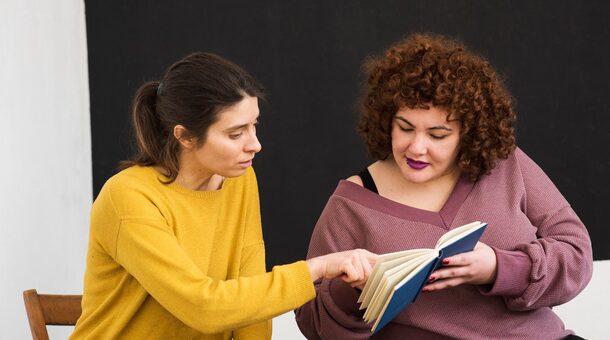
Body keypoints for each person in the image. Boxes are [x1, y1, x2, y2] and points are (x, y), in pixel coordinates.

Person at [295, 33, 593, 339]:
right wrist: (356, 290)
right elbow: (311, 322)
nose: (417, 148)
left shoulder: (505, 163)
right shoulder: (351, 204)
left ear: (469, 132)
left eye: (438, 135)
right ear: (386, 120)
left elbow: (576, 255)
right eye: (405, 128)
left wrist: (497, 268)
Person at [70, 52, 377, 340]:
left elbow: (250, 305)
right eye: (235, 133)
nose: (254, 144)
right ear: (185, 136)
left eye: (254, 125)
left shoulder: (239, 180)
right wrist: (318, 269)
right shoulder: (129, 197)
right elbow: (202, 307)